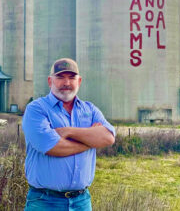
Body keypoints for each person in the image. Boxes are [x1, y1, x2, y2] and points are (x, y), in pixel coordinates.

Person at [22, 58, 115, 210]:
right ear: (50, 81)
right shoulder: (36, 109)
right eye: (60, 77)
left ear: (79, 81)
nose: (66, 83)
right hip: (44, 201)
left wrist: (67, 131)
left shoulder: (90, 110)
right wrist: (91, 140)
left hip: (81, 201)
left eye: (71, 77)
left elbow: (108, 137)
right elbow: (53, 147)